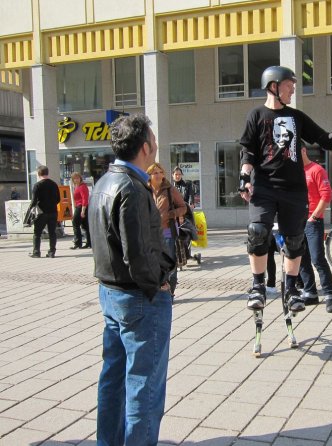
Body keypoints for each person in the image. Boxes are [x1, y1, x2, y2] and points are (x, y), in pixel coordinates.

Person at [239, 65, 332, 313]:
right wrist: (244, 177)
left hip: (293, 189)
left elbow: (325, 138)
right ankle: (257, 286)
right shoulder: (256, 115)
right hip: (264, 186)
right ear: (274, 86)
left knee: (294, 240)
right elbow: (248, 150)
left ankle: (291, 290)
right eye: (289, 86)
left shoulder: (296, 117)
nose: (292, 91)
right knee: (257, 231)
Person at [88, 113, 176, 446]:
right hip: (138, 298)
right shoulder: (132, 187)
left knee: (113, 379)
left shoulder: (104, 181)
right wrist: (159, 285)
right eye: (153, 141)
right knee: (144, 387)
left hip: (111, 293)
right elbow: (138, 253)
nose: (156, 146)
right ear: (144, 146)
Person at [299, 146, 332, 313]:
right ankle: (310, 293)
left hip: (313, 222)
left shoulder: (316, 169)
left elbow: (327, 195)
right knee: (301, 258)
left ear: (303, 150)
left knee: (317, 259)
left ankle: (330, 295)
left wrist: (314, 217)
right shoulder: (293, 173)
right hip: (297, 221)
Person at [147, 162, 187, 296]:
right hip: (150, 234)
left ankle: (170, 293)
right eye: (155, 173)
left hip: (168, 232)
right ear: (149, 175)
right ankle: (159, 291)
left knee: (169, 265)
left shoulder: (170, 189)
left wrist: (170, 214)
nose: (158, 175)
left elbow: (183, 207)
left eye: (160, 172)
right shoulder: (145, 190)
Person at [28, 165, 60, 258]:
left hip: (41, 213)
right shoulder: (54, 184)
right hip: (53, 212)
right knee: (52, 232)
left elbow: (34, 201)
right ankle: (51, 252)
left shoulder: (37, 185)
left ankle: (36, 252)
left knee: (37, 233)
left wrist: (31, 209)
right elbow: (58, 199)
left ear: (38, 174)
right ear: (47, 173)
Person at [70, 172, 91, 249]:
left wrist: (83, 210)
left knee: (75, 224)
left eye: (77, 178)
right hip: (80, 207)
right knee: (85, 226)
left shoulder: (82, 186)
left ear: (80, 178)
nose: (76, 180)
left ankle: (78, 243)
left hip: (81, 207)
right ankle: (89, 243)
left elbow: (84, 199)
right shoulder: (77, 186)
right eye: (74, 178)